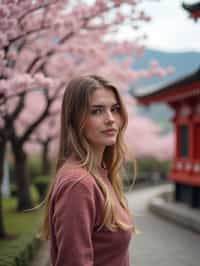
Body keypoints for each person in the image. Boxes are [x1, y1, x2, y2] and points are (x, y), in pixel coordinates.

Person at [41, 74, 136, 266]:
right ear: (75, 119)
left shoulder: (100, 173)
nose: (111, 119)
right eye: (97, 111)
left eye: (115, 109)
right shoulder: (78, 184)